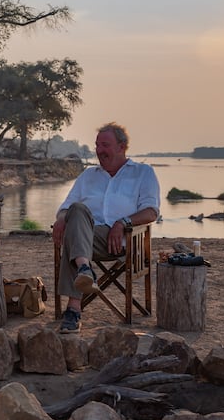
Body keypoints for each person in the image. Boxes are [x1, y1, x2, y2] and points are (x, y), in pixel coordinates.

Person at [52, 123, 160, 334]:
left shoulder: (142, 173)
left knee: (74, 240)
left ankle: (74, 307)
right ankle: (84, 270)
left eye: (105, 145)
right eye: (97, 145)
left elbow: (151, 212)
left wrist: (123, 223)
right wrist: (61, 219)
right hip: (86, 237)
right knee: (77, 211)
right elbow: (66, 208)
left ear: (122, 146)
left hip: (122, 240)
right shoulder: (88, 175)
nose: (100, 150)